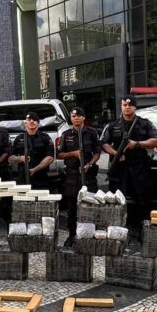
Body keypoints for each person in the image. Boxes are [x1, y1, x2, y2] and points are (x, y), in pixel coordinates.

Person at [101, 96, 157, 234]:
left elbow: (156, 141)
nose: (127, 107)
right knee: (116, 199)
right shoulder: (112, 125)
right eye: (124, 105)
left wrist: (137, 144)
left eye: (130, 105)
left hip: (139, 167)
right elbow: (103, 143)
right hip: (119, 168)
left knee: (142, 199)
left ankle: (143, 230)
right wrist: (115, 153)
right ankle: (117, 229)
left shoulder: (144, 123)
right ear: (121, 106)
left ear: (135, 107)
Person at [57, 106, 101, 247]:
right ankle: (71, 235)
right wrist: (73, 154)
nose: (75, 118)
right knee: (72, 207)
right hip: (71, 176)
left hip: (88, 175)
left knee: (90, 205)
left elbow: (97, 152)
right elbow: (59, 154)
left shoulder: (92, 133)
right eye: (73, 116)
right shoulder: (66, 134)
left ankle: (89, 236)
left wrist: (90, 164)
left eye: (78, 116)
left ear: (83, 118)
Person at [10, 112, 55, 191]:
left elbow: (50, 158)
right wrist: (20, 158)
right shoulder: (19, 139)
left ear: (38, 123)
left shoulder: (45, 138)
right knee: (23, 201)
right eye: (29, 120)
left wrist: (35, 169)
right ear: (25, 123)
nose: (31, 122)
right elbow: (10, 158)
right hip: (23, 176)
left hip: (41, 176)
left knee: (41, 201)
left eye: (34, 120)